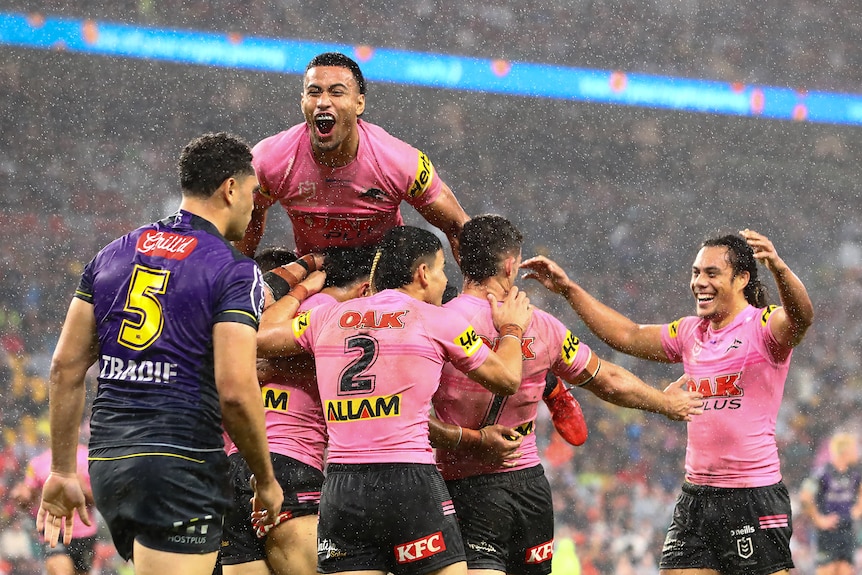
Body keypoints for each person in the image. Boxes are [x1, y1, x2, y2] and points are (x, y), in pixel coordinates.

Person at [36, 132, 284, 575]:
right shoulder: (232, 269)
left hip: (111, 462)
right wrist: (265, 480)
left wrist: (61, 470)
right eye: (252, 193)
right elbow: (234, 390)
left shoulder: (113, 253)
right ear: (230, 188)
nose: (254, 206)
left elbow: (64, 367)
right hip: (180, 460)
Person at [521, 229, 815, 575]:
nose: (699, 282)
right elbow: (627, 335)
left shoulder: (763, 327)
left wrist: (779, 268)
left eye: (711, 273)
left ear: (742, 279)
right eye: (695, 273)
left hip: (751, 495)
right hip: (697, 496)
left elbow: (801, 318)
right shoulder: (691, 332)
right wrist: (569, 290)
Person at [430, 215, 704, 575]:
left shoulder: (436, 323)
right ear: (511, 265)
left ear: (461, 261)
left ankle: (552, 389)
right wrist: (664, 403)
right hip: (528, 488)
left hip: (461, 484)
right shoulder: (544, 326)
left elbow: (409, 415)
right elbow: (608, 379)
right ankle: (552, 387)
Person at [256, 225, 533, 575]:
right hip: (409, 480)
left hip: (343, 486)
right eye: (441, 270)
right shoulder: (437, 319)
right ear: (422, 273)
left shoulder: (326, 317)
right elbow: (507, 379)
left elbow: (258, 336)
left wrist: (300, 290)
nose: (442, 281)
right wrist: (512, 328)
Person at [221, 245, 375, 575]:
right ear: (365, 288)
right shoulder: (334, 312)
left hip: (234, 468)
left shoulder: (258, 314)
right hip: (288, 466)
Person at [236, 51, 470, 261]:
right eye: (314, 92)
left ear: (359, 103)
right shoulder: (269, 160)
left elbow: (459, 227)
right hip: (313, 274)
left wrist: (478, 296)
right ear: (303, 101)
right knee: (270, 266)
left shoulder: (400, 161)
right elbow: (247, 219)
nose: (323, 102)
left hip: (384, 280)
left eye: (337, 92)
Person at [12, 440, 98, 575]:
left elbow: (102, 501)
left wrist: (84, 489)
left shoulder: (89, 457)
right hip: (53, 531)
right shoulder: (38, 463)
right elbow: (28, 499)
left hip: (85, 533)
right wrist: (22, 498)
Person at [800, 432, 862, 575]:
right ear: (845, 450)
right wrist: (818, 519)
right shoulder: (823, 472)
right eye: (854, 448)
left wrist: (858, 510)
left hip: (847, 531)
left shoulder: (855, 473)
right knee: (827, 571)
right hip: (828, 533)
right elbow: (805, 496)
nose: (857, 451)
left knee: (846, 571)